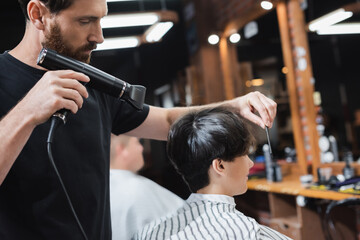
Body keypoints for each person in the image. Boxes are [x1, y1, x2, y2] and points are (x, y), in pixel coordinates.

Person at [0, 0, 277, 239]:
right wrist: (26, 112)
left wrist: (233, 106)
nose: (99, 36)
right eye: (86, 21)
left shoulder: (92, 83)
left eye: (100, 20)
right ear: (38, 14)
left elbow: (169, 120)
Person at [133, 106, 290, 240]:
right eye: (244, 154)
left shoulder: (148, 232)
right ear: (220, 165)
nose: (250, 163)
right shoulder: (244, 232)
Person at [109, 134, 185, 240]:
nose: (141, 148)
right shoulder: (134, 188)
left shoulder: (102, 191)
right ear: (121, 149)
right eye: (137, 142)